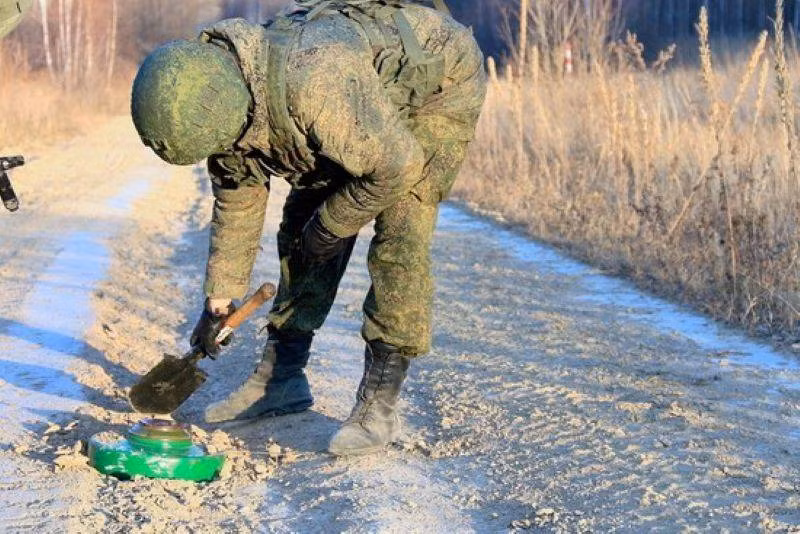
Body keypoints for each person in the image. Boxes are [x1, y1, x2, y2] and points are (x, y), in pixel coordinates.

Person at [131, 0, 486, 456]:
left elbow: (398, 166)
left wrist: (334, 223)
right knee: (301, 228)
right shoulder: (221, 96)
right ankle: (280, 379)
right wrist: (219, 300)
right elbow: (238, 196)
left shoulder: (315, 84)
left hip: (435, 85)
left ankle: (378, 403)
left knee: (401, 231)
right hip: (357, 98)